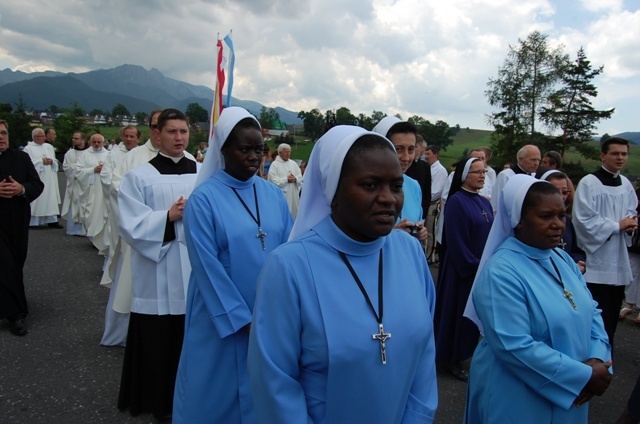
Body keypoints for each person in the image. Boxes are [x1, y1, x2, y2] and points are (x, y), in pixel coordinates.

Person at [248, 125, 438, 423]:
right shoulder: (289, 266)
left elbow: (424, 354)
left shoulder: (410, 253)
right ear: (332, 191)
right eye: (371, 185)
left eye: (396, 186)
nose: (389, 198)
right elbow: (276, 383)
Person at [173, 107, 293, 423]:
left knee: (262, 392)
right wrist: (242, 320)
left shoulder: (273, 194)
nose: (254, 157)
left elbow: (291, 251)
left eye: (259, 150)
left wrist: (284, 309)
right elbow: (205, 265)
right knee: (215, 394)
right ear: (224, 149)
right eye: (245, 149)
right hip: (220, 313)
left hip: (267, 312)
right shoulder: (204, 199)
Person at [464, 174, 612, 422]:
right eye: (546, 217)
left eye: (561, 215)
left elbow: (591, 311)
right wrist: (581, 376)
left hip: (575, 384)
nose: (558, 225)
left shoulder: (562, 258)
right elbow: (513, 344)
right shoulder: (500, 271)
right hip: (517, 392)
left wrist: (598, 361)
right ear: (518, 220)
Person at [117, 109, 198, 419]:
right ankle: (159, 403)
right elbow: (130, 224)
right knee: (160, 340)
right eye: (172, 132)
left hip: (193, 268)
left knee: (192, 338)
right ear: (157, 135)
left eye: (184, 132)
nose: (179, 137)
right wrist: (167, 217)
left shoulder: (203, 173)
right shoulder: (138, 176)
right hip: (158, 271)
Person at [573, 137, 638, 349]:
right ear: (603, 155)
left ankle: (606, 356)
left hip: (618, 261)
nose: (620, 158)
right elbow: (583, 220)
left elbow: (631, 211)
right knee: (593, 317)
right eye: (615, 153)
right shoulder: (589, 183)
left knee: (610, 318)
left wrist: (630, 223)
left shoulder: (626, 184)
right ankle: (589, 356)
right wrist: (617, 226)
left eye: (624, 154)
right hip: (595, 263)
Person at [434, 157, 493, 382]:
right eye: (476, 172)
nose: (481, 176)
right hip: (462, 270)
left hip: (479, 268)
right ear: (464, 176)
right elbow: (456, 241)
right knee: (456, 313)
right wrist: (473, 265)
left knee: (471, 318)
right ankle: (451, 359)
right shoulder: (457, 201)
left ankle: (464, 353)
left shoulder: (484, 202)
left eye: (483, 172)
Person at [0, 119, 44, 336]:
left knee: (15, 264)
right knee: (5, 264)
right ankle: (16, 314)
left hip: (17, 220)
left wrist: (21, 188)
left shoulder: (21, 157)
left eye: (4, 133)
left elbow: (37, 185)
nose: (1, 137)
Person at [372, 116, 427, 242]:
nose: (406, 158)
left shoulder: (413, 186)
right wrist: (393, 234)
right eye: (398, 149)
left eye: (411, 150)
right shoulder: (366, 186)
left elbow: (417, 220)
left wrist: (420, 231)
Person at [99, 126, 141, 287]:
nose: (129, 139)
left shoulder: (142, 154)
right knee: (117, 236)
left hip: (138, 202)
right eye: (127, 136)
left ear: (138, 139)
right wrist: (126, 191)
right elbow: (106, 175)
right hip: (121, 201)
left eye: (132, 136)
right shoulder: (114, 154)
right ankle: (114, 268)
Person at [537, 169, 586, 272]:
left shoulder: (566, 220)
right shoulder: (534, 221)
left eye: (564, 192)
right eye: (554, 191)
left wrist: (577, 262)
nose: (560, 196)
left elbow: (575, 250)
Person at [75, 134, 109, 254]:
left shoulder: (109, 155)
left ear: (104, 143)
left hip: (105, 190)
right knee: (90, 212)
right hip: (90, 189)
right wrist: (92, 170)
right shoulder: (85, 155)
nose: (96, 144)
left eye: (99, 142)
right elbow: (78, 171)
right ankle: (92, 236)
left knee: (103, 214)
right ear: (90, 142)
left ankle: (101, 238)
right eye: (94, 142)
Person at [23, 127, 62, 228]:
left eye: (44, 136)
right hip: (38, 177)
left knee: (50, 198)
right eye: (41, 136)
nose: (43, 138)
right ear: (34, 137)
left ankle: (52, 220)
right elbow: (26, 164)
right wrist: (41, 161)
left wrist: (52, 161)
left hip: (49, 178)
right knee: (38, 199)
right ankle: (34, 222)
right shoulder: (28, 148)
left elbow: (54, 160)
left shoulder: (48, 147)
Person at [490, 144, 541, 213]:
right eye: (533, 160)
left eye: (538, 160)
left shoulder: (535, 177)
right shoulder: (506, 175)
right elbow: (496, 203)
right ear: (520, 159)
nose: (536, 164)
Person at [61, 132, 88, 236]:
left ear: (83, 140)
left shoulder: (88, 153)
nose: (73, 140)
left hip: (85, 186)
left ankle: (85, 230)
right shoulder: (69, 153)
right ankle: (73, 229)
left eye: (76, 138)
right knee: (74, 205)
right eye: (73, 138)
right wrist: (79, 169)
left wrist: (81, 170)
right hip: (74, 184)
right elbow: (66, 168)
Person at [425, 144, 448, 262]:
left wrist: (424, 198)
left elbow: (436, 191)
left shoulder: (440, 170)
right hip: (426, 202)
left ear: (435, 154)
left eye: (428, 154)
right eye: (425, 153)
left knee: (430, 231)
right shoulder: (428, 168)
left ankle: (430, 255)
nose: (426, 156)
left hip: (432, 204)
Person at [268, 143, 303, 219]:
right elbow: (273, 180)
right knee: (283, 214)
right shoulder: (274, 165)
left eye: (289, 152)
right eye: (286, 152)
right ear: (280, 153)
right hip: (283, 194)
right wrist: (286, 179)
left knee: (294, 213)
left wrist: (295, 178)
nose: (288, 154)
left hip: (293, 193)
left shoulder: (293, 163)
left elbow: (300, 176)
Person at [405, 135, 432, 221]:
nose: (414, 150)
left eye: (415, 147)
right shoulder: (404, 165)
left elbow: (427, 192)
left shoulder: (425, 166)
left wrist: (423, 214)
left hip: (418, 214)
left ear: (421, 148)